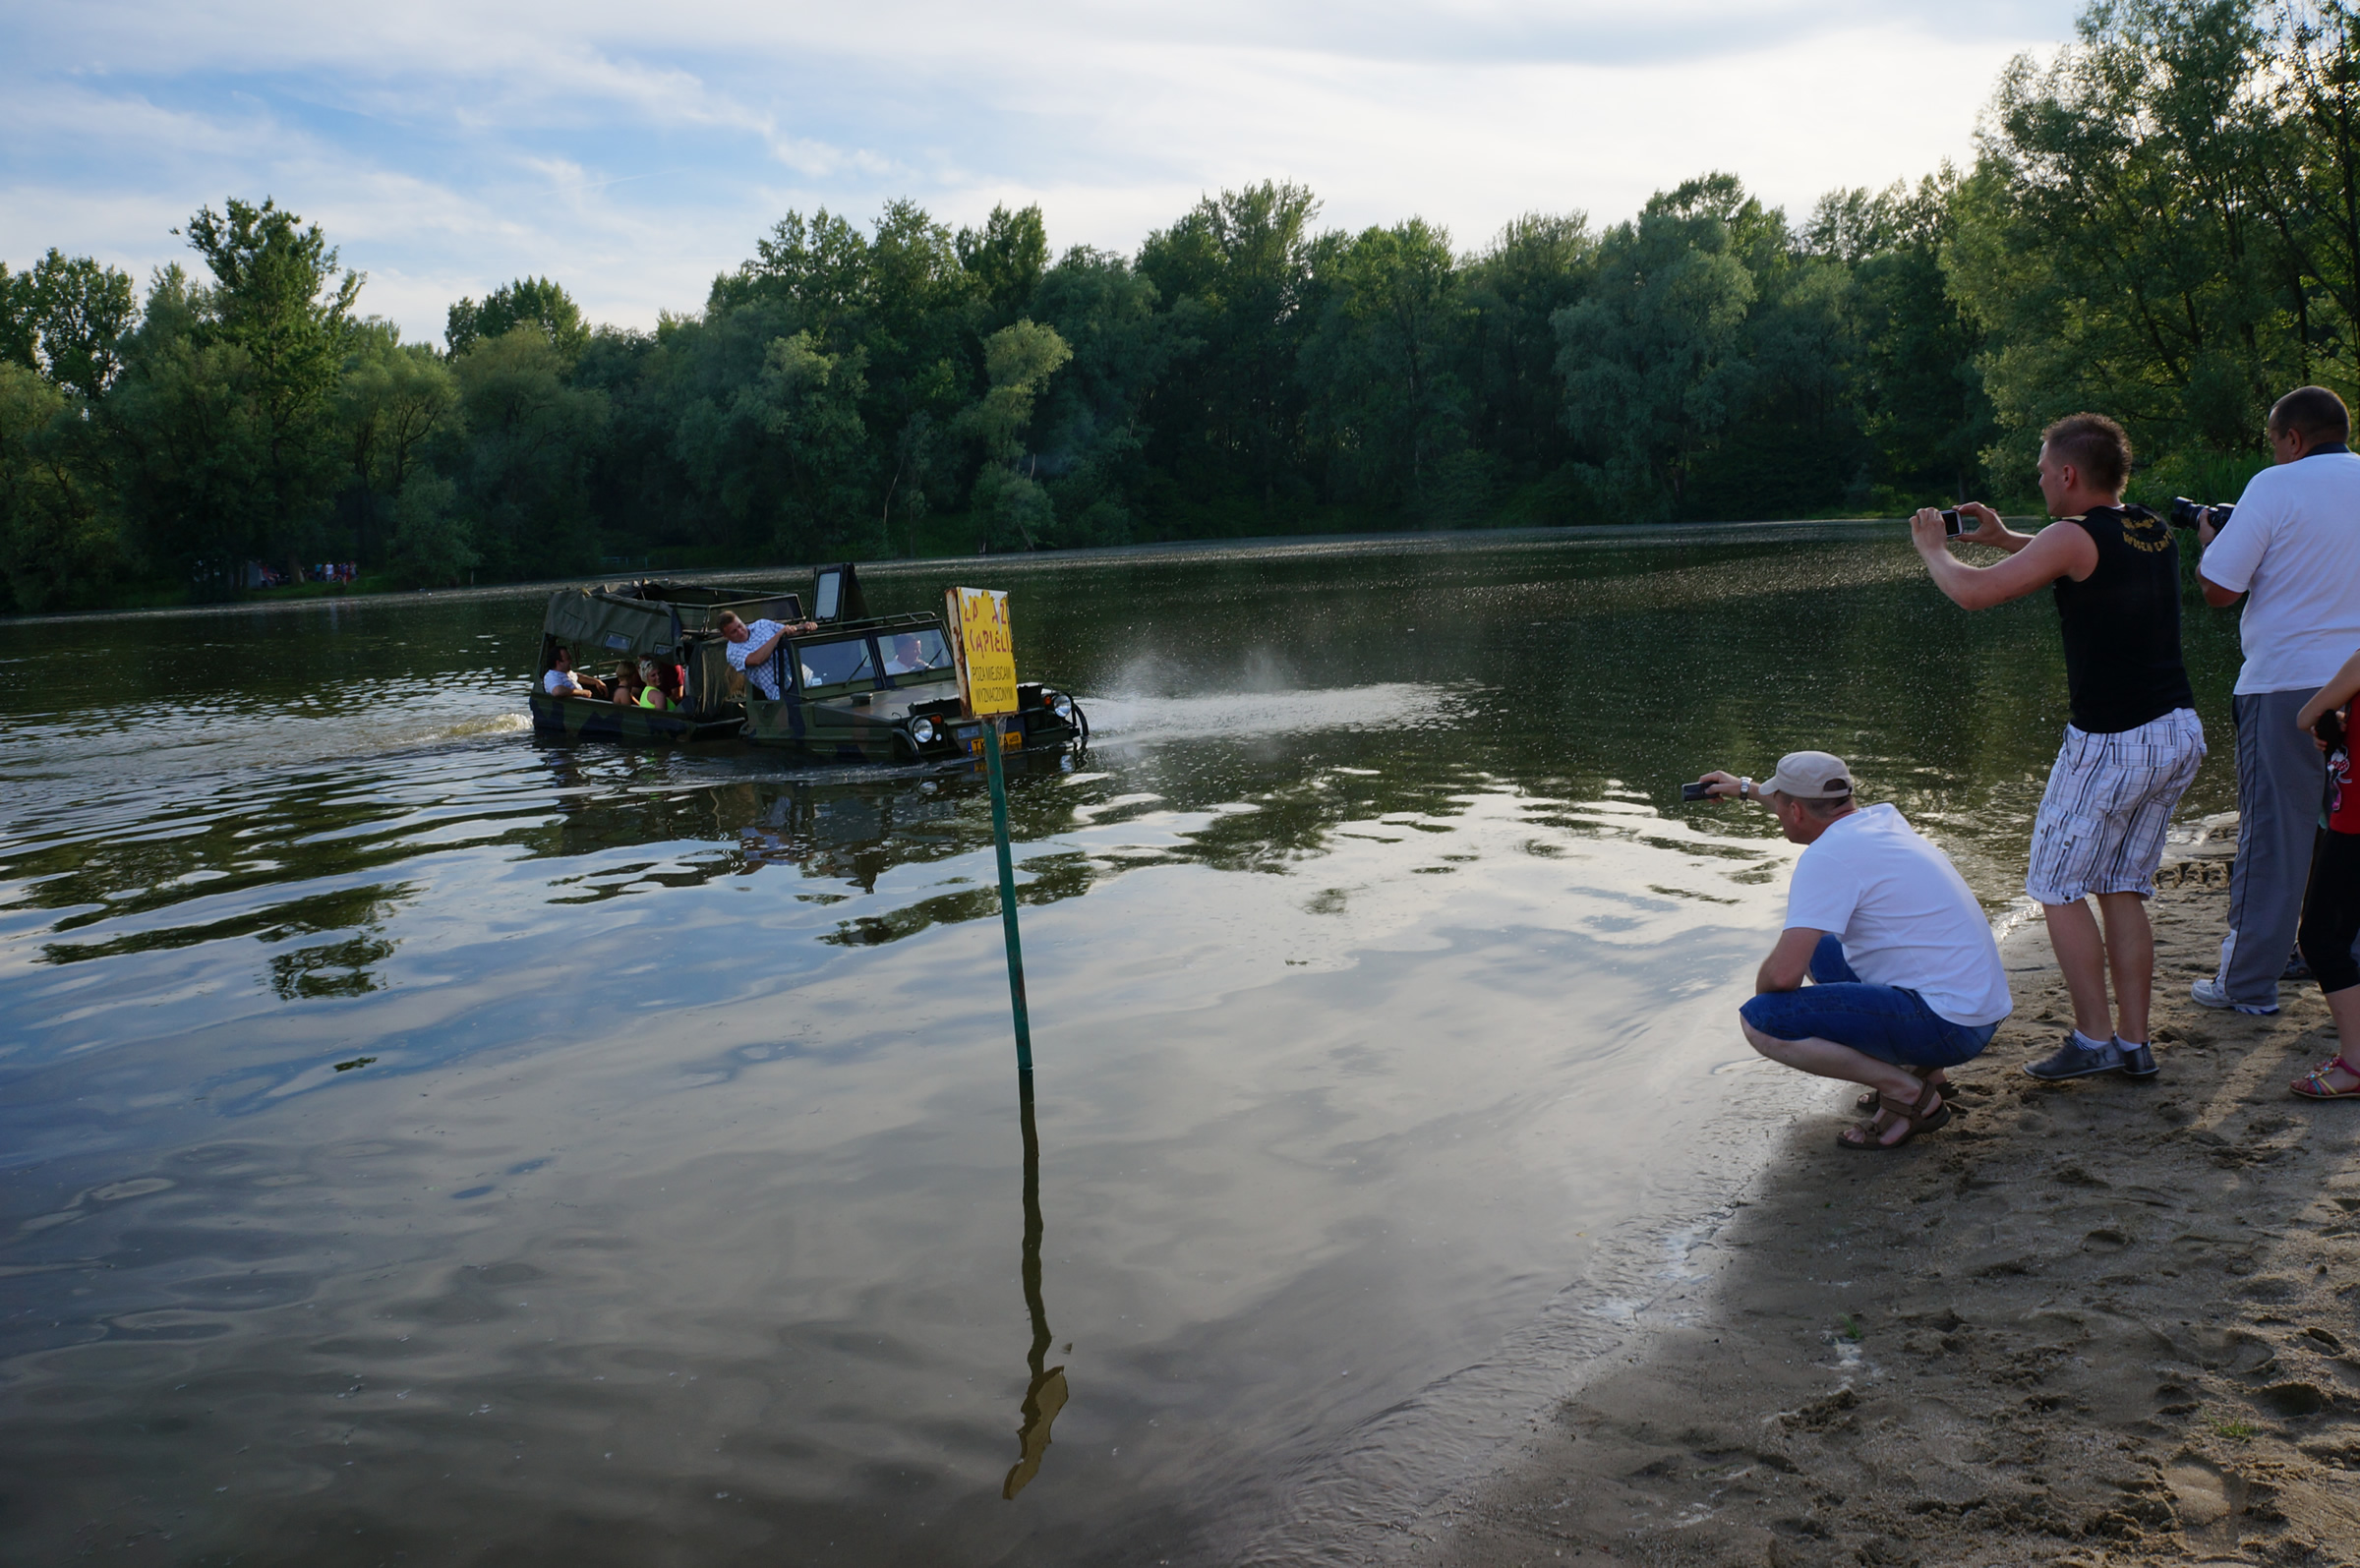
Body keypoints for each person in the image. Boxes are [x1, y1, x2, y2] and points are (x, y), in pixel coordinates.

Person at [1911, 412, 2205, 1080]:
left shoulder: (2070, 537)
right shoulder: (2151, 526)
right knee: (2122, 884)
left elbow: (1973, 594)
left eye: (2043, 470)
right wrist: (2003, 536)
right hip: (2177, 731)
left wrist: (1936, 547)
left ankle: (2094, 1039)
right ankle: (2133, 1041)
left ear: (2069, 474)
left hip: (2113, 740)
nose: (2039, 479)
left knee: (2056, 884)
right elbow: (2079, 561)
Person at [1697, 751, 2013, 1149]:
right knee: (1822, 948)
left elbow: (1780, 979)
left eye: (1779, 805)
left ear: (1794, 810)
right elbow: (1806, 806)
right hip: (1979, 1010)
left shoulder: (1825, 858)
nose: (1775, 812)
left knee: (1762, 1020)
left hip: (1949, 1028)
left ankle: (1911, 1094)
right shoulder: (1883, 821)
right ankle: (1928, 1073)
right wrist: (1745, 789)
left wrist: (1773, 996)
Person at [2193, 385, 2360, 1015]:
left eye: (2274, 441)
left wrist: (2211, 538)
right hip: (2359, 680)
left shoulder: (2274, 484)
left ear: (2293, 438)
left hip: (2286, 683)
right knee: (2352, 828)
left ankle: (2247, 983)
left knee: (2275, 836)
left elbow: (2218, 590)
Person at [2288, 648, 2360, 1098]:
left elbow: (2303, 716)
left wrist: (2329, 715)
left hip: (2355, 825)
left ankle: (2354, 1064)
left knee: (2320, 938)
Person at [717, 610, 817, 700]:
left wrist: (805, 627)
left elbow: (789, 631)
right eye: (734, 631)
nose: (740, 631)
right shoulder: (732, 653)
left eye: (740, 625)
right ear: (726, 636)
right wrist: (778, 635)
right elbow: (757, 659)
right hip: (781, 695)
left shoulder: (762, 624)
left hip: (805, 679)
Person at [541, 647, 609, 701]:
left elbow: (578, 676)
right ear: (558, 663)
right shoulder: (551, 676)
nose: (571, 661)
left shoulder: (567, 673)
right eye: (568, 659)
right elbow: (558, 691)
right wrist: (582, 693)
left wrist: (596, 681)